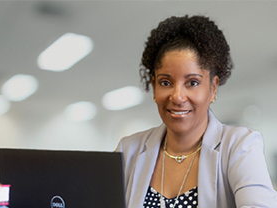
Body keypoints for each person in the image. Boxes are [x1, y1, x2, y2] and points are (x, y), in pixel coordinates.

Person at [116, 15, 277, 208]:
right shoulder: (128, 150)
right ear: (154, 86)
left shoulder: (240, 146)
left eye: (192, 83)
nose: (177, 96)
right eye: (165, 82)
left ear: (213, 88)